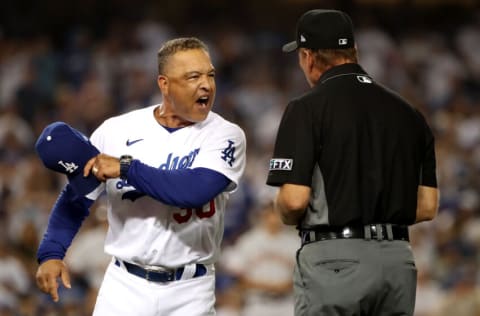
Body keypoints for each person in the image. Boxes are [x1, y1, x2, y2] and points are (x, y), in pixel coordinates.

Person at [34, 37, 246, 316]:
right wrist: (51, 253)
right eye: (193, 76)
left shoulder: (225, 135)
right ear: (164, 84)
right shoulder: (116, 130)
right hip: (124, 286)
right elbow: (76, 198)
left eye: (210, 75)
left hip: (190, 290)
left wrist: (125, 168)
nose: (206, 84)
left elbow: (194, 190)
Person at [266, 9, 439, 316]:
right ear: (354, 52)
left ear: (308, 56)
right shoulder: (409, 114)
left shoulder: (306, 108)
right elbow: (427, 206)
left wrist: (281, 210)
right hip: (398, 261)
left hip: (335, 261)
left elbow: (293, 202)